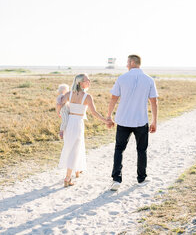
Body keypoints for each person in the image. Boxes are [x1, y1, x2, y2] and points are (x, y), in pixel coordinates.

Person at [107, 54, 158, 191]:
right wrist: (154, 121)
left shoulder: (122, 78)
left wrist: (109, 116)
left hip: (123, 119)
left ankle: (116, 179)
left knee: (119, 149)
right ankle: (141, 179)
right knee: (142, 150)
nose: (126, 65)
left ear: (132, 62)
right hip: (141, 120)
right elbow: (154, 101)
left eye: (127, 62)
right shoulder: (148, 80)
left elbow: (113, 98)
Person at [58, 74, 110, 187]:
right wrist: (105, 121)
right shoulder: (87, 97)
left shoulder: (68, 94)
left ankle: (77, 170)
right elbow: (94, 113)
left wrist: (60, 115)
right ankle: (67, 178)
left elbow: (60, 105)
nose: (89, 82)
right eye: (87, 80)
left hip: (69, 123)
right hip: (77, 123)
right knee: (74, 150)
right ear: (80, 83)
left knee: (72, 147)